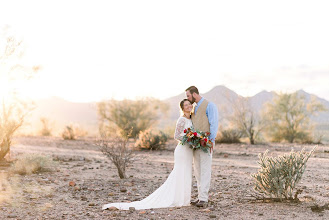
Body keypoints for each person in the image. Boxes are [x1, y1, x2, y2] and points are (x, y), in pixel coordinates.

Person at [102, 99, 194, 210]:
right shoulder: (182, 120)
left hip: (189, 150)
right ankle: (176, 198)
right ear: (183, 108)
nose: (189, 106)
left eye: (189, 104)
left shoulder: (192, 118)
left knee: (187, 172)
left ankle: (184, 199)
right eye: (186, 105)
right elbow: (176, 135)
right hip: (182, 150)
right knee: (179, 172)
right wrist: (190, 139)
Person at [185, 86, 219, 208]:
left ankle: (204, 198)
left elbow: (214, 124)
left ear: (194, 94)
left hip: (206, 143)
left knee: (205, 170)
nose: (187, 98)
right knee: (197, 170)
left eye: (188, 96)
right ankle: (200, 196)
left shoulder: (210, 105)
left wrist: (210, 141)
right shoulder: (193, 108)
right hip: (196, 144)